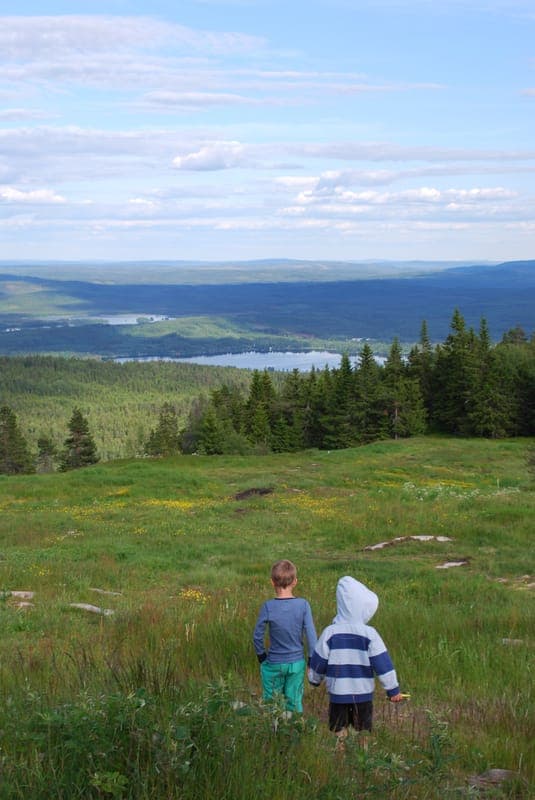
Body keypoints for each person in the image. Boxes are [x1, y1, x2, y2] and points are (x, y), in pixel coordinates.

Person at [308, 575, 403, 748]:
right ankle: (362, 757)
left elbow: (319, 660)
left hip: (338, 694)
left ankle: (341, 755)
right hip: (363, 694)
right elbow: (383, 664)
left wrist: (314, 680)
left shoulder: (330, 632)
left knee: (338, 728)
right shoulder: (370, 634)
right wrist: (393, 690)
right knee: (363, 730)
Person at [253, 559, 317, 714]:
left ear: (272, 582)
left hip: (273, 663)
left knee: (272, 703)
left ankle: (274, 733)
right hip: (296, 663)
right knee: (294, 701)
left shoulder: (268, 606)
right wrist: (311, 660)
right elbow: (311, 636)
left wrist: (262, 656)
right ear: (295, 581)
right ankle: (294, 731)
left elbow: (257, 636)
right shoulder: (303, 605)